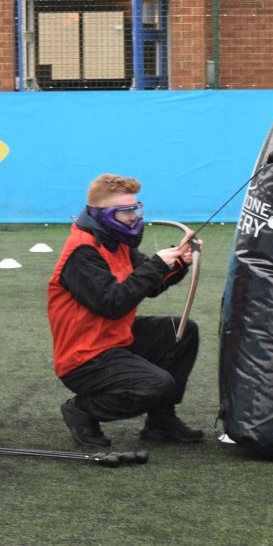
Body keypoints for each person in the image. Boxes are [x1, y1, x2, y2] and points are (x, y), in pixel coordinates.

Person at [48, 174, 204, 447]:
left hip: (117, 339)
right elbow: (113, 303)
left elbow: (148, 286)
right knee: (158, 385)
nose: (134, 217)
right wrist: (157, 264)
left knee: (182, 331)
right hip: (85, 358)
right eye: (125, 212)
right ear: (102, 215)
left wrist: (177, 261)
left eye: (135, 209)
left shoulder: (116, 242)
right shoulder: (82, 252)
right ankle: (83, 410)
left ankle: (161, 422)